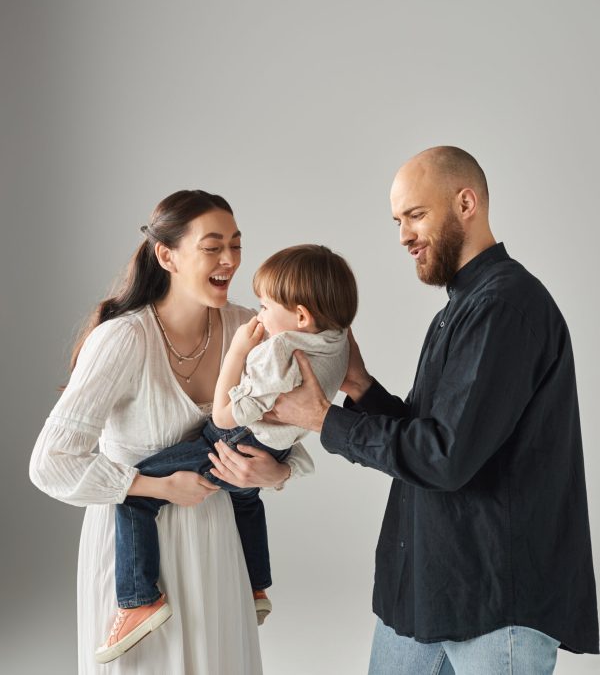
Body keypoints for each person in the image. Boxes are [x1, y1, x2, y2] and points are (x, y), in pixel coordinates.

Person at [267, 147, 599, 674]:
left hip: (494, 606)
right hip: (426, 592)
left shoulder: (505, 307)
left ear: (466, 203)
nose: (403, 235)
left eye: (416, 215)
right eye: (398, 220)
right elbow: (434, 435)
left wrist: (322, 419)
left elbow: (444, 457)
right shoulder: (464, 309)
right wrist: (360, 387)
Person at [29, 189, 314, 675]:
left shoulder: (251, 328)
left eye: (236, 245)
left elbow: (294, 423)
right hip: (136, 551)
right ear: (167, 256)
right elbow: (50, 462)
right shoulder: (123, 339)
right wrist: (156, 486)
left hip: (216, 537)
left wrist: (274, 472)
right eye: (212, 246)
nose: (229, 260)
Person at [103, 244, 357, 663]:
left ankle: (138, 599)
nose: (257, 316)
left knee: (133, 490)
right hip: (273, 444)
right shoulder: (337, 338)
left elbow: (223, 415)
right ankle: (256, 585)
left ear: (300, 317)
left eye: (265, 306)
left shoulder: (279, 352)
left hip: (233, 437)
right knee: (245, 497)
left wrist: (238, 349)